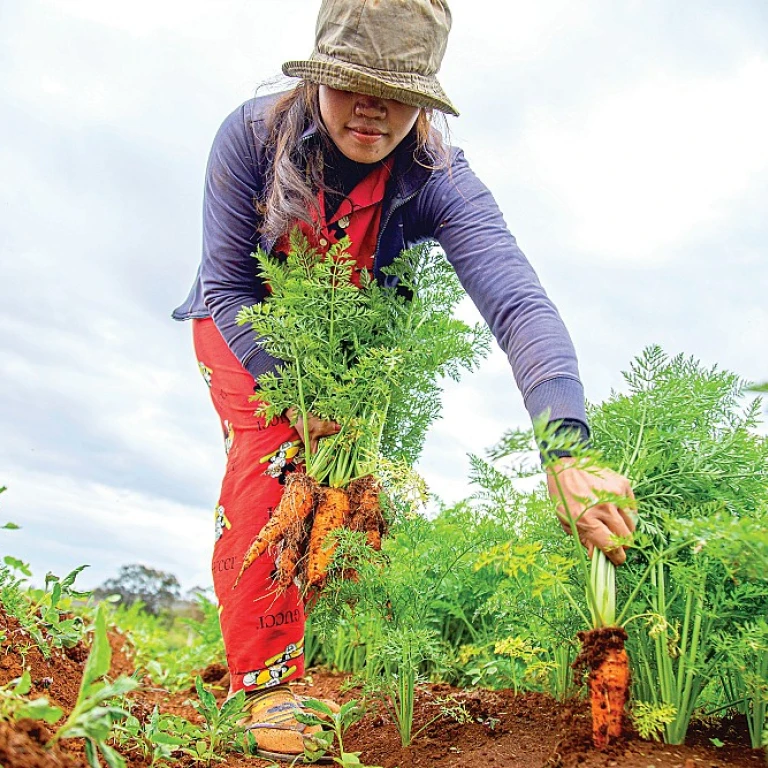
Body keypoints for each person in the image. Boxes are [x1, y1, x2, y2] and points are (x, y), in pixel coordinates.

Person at [173, 0, 636, 760]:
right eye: (353, 82)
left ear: (423, 100)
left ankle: (277, 647)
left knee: (336, 506)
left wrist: (566, 447)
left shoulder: (437, 176)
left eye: (399, 92)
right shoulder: (252, 136)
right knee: (276, 458)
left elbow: (517, 301)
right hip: (244, 327)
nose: (374, 109)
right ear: (320, 73)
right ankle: (260, 686)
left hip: (349, 343)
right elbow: (228, 285)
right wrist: (293, 392)